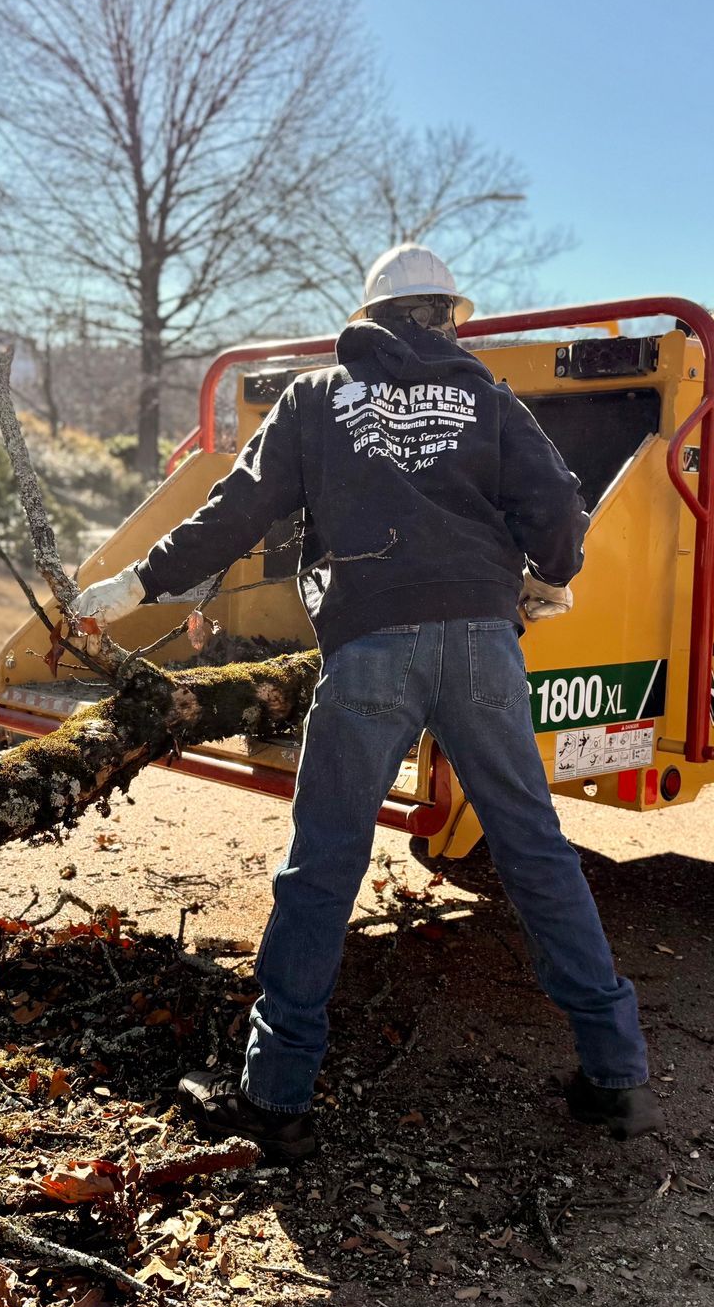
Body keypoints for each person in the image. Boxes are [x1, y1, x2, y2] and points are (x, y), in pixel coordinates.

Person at [72, 243, 660, 1162]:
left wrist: (138, 580)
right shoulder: (488, 397)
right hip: (481, 644)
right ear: (447, 315)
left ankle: (276, 1096)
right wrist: (550, 574)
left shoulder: (314, 398)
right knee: (534, 849)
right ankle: (618, 1074)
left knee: (325, 863)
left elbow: (238, 509)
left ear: (370, 317)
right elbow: (558, 509)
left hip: (372, 644)